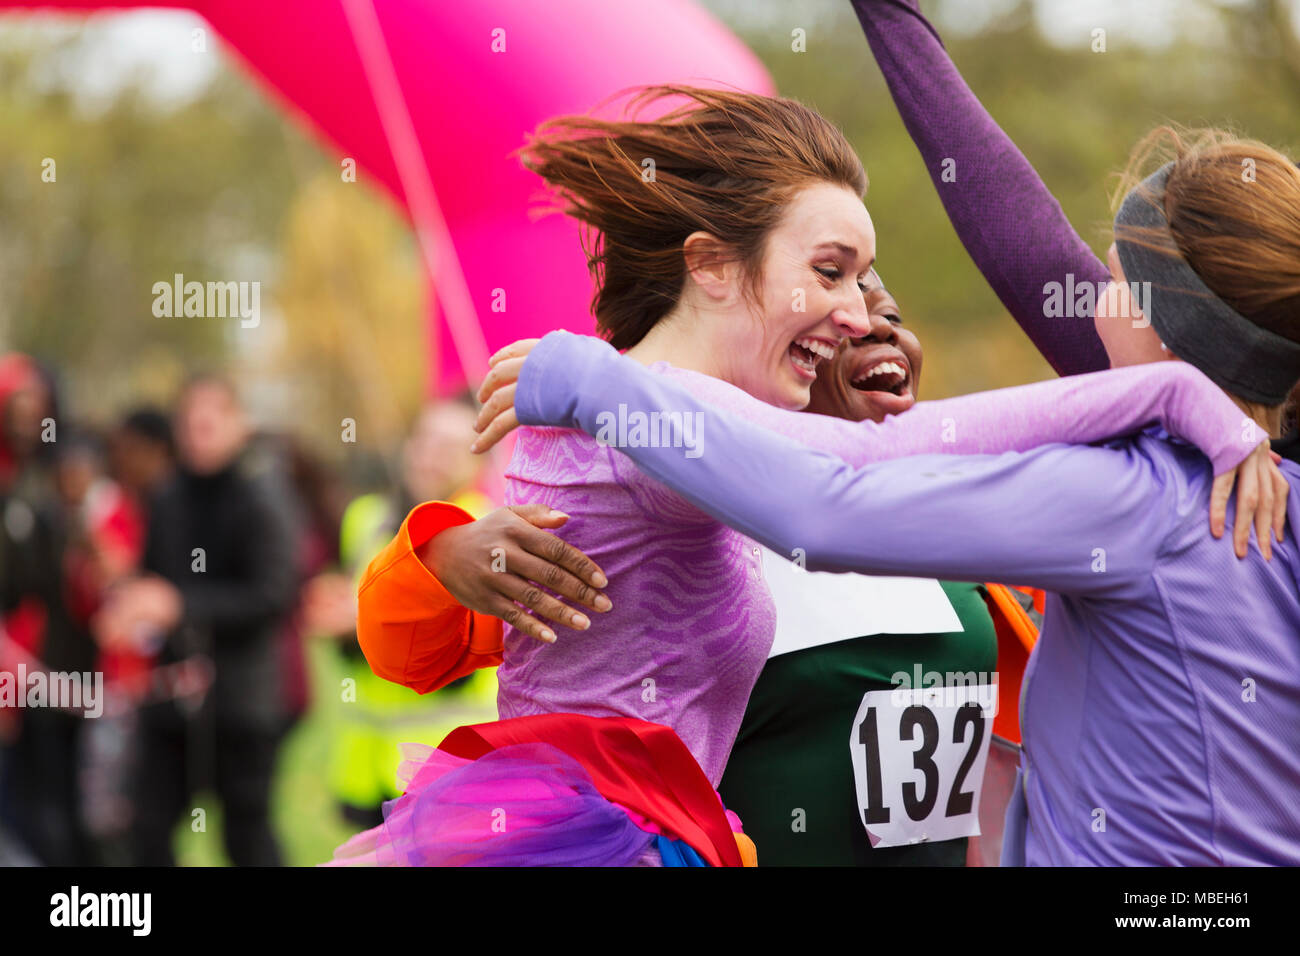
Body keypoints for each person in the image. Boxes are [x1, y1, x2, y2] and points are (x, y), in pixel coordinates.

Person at [341, 87, 1271, 867]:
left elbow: (1005, 758)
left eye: (877, 299)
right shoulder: (674, 440)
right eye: (834, 279)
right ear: (709, 266)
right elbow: (411, 646)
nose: (864, 323)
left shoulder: (953, 540)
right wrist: (440, 551)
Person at [96, 374, 299, 866]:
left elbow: (273, 594)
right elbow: (154, 580)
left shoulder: (261, 494)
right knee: (146, 828)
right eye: (189, 423)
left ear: (237, 424)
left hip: (240, 704)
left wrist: (180, 606)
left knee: (246, 839)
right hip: (172, 701)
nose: (198, 434)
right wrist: (127, 606)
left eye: (210, 422)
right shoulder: (167, 497)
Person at [305, 398, 498, 830]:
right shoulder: (366, 518)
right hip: (365, 764)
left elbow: (453, 663)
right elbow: (356, 642)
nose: (431, 456)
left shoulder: (482, 527)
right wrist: (335, 613)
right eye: (425, 440)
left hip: (442, 768)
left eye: (449, 447)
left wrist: (356, 623)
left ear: (479, 461)